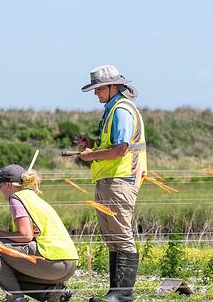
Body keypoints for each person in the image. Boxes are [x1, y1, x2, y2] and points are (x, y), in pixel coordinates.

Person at [75, 65, 147, 302]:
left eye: (98, 89)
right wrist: (92, 145)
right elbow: (112, 145)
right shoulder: (112, 109)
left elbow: (120, 149)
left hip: (120, 180)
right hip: (111, 179)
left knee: (121, 234)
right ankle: (115, 293)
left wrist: (90, 156)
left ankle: (123, 294)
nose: (96, 93)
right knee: (112, 236)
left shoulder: (121, 111)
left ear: (112, 86)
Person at [0, 164, 78, 302]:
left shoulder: (16, 198)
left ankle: (16, 299)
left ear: (8, 185)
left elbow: (25, 236)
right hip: (68, 263)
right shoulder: (32, 196)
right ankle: (53, 293)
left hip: (53, 261)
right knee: (7, 274)